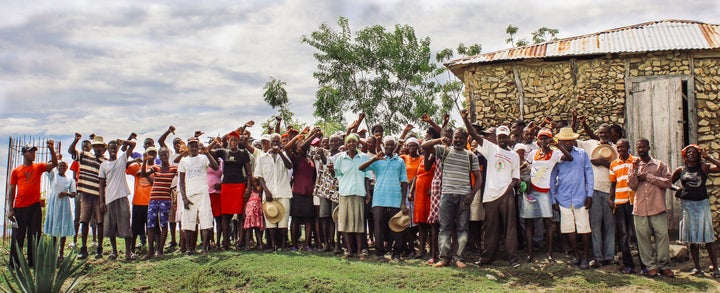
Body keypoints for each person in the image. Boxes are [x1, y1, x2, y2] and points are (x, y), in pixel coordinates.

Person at [424, 115, 482, 269]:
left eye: (461, 138)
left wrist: (472, 194)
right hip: (447, 194)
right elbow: (424, 147)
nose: (458, 140)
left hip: (464, 196)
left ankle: (459, 258)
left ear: (465, 139)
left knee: (463, 228)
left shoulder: (471, 156)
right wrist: (439, 140)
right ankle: (444, 258)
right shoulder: (444, 151)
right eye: (456, 137)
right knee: (445, 227)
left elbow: (478, 178)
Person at [471, 123, 521, 268]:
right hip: (491, 195)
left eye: (505, 137)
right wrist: (465, 119)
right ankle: (486, 258)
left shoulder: (514, 155)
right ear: (497, 137)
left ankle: (512, 258)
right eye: (500, 137)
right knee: (490, 229)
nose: (502, 139)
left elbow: (516, 178)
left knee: (510, 228)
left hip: (507, 195)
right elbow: (475, 136)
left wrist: (508, 189)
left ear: (509, 137)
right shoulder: (491, 149)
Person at [522, 128, 572, 263]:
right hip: (531, 191)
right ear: (537, 140)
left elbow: (569, 157)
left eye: (546, 138)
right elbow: (527, 166)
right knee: (529, 222)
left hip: (545, 192)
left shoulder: (555, 154)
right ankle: (530, 253)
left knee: (548, 222)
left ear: (550, 140)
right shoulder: (533, 153)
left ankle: (549, 253)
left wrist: (558, 145)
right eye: (541, 138)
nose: (543, 141)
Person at [671, 145, 720, 277]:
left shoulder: (704, 167)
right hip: (687, 205)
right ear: (685, 156)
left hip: (702, 204)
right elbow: (669, 182)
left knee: (708, 237)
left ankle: (716, 268)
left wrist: (708, 157)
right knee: (692, 238)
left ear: (698, 155)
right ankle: (697, 267)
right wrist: (677, 190)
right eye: (688, 152)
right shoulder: (680, 170)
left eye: (694, 152)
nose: (691, 154)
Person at [628, 138, 674, 278]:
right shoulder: (633, 165)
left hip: (657, 207)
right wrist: (635, 170)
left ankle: (664, 266)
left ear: (649, 148)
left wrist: (648, 176)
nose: (641, 150)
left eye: (643, 147)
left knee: (662, 237)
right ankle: (651, 267)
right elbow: (632, 185)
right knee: (643, 238)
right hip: (640, 208)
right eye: (638, 148)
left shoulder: (659, 165)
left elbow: (668, 182)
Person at [8, 141, 58, 267]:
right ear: (24, 153)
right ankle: (15, 263)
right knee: (18, 236)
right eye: (30, 151)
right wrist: (10, 209)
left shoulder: (39, 167)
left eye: (34, 151)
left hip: (35, 207)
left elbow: (55, 164)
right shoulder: (16, 171)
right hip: (19, 207)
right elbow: (11, 190)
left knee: (35, 235)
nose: (33, 154)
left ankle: (34, 262)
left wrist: (51, 149)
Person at [576, 116, 617, 268]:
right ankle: (598, 256)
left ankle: (609, 255)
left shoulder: (616, 148)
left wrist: (602, 163)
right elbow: (574, 139)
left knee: (610, 225)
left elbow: (617, 168)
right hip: (593, 190)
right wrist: (581, 122)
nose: (603, 135)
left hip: (609, 191)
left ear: (611, 134)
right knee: (595, 224)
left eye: (606, 132)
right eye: (601, 132)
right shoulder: (590, 145)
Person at [550, 127, 594, 269]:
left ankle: (585, 257)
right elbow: (552, 178)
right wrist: (553, 198)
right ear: (560, 142)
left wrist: (589, 194)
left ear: (574, 141)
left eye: (570, 141)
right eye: (564, 141)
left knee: (584, 228)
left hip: (580, 197)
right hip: (563, 198)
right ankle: (576, 255)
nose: (568, 143)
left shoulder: (582, 154)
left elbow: (589, 174)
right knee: (569, 228)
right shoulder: (556, 156)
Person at [359, 136, 408, 262]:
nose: (389, 147)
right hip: (379, 198)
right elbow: (361, 168)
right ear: (383, 146)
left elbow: (404, 182)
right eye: (387, 145)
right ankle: (380, 254)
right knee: (378, 227)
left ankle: (396, 253)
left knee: (396, 226)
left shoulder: (400, 161)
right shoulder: (378, 159)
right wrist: (374, 158)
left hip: (395, 197)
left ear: (395, 146)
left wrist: (403, 202)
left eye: (392, 145)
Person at [68, 133, 107, 259]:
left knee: (99, 222)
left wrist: (103, 199)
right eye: (95, 147)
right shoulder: (84, 156)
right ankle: (83, 248)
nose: (97, 149)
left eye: (99, 147)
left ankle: (99, 249)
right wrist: (76, 140)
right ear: (93, 147)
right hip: (86, 194)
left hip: (98, 196)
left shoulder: (105, 162)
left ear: (103, 148)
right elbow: (71, 151)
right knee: (84, 221)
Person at [331, 133, 370, 259]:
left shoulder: (363, 157)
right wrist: (332, 171)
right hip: (345, 193)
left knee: (359, 223)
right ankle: (348, 251)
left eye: (354, 142)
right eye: (349, 142)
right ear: (346, 144)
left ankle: (359, 251)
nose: (352, 144)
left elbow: (367, 175)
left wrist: (368, 192)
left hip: (359, 192)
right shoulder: (341, 158)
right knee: (345, 223)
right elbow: (336, 174)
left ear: (358, 143)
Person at [178, 137, 220, 254]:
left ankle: (205, 248)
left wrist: (207, 153)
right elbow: (181, 181)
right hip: (189, 193)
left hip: (202, 193)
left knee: (205, 219)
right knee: (188, 221)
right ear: (188, 147)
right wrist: (184, 198)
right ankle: (189, 248)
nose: (194, 148)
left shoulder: (203, 158)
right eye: (191, 145)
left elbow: (216, 167)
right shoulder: (184, 161)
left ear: (198, 147)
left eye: (196, 145)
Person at [212, 130, 252, 250]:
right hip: (226, 186)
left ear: (238, 141)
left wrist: (248, 188)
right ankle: (226, 242)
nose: (233, 142)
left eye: (236, 139)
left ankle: (240, 241)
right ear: (228, 141)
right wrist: (217, 140)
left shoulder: (243, 153)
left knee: (240, 215)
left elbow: (249, 173)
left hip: (239, 185)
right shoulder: (223, 152)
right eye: (231, 140)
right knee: (225, 215)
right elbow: (208, 152)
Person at [98, 137, 137, 261]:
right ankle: (114, 252)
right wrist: (101, 201)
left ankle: (128, 252)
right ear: (107, 150)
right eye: (111, 148)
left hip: (122, 196)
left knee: (125, 224)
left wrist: (123, 142)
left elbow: (133, 145)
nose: (113, 150)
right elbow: (101, 184)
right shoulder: (104, 165)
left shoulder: (122, 159)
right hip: (109, 198)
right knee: (110, 226)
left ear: (117, 149)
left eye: (115, 148)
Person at [254, 133, 293, 250]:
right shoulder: (262, 158)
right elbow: (259, 176)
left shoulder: (284, 155)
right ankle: (273, 244)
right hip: (269, 193)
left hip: (283, 192)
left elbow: (290, 166)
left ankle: (283, 244)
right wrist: (266, 191)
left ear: (280, 143)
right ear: (269, 143)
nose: (275, 143)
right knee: (270, 219)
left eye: (277, 141)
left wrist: (280, 152)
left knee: (283, 220)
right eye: (273, 142)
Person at [609, 139, 640, 274]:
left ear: (628, 147)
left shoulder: (635, 161)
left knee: (638, 233)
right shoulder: (614, 164)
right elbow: (613, 184)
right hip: (620, 203)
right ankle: (628, 265)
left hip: (633, 202)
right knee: (623, 235)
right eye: (618, 148)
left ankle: (645, 264)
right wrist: (611, 199)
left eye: (623, 147)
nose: (621, 150)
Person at [142, 147, 178, 259]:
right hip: (153, 199)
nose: (163, 157)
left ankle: (160, 250)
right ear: (159, 156)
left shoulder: (173, 169)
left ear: (168, 155)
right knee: (150, 225)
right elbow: (144, 174)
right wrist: (144, 161)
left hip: (165, 199)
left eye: (165, 155)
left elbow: (182, 177)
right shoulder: (155, 168)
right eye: (161, 155)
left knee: (163, 224)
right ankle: (150, 251)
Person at [44, 160, 76, 260]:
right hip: (54, 204)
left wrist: (66, 193)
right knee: (54, 226)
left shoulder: (70, 180)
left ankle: (61, 252)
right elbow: (48, 165)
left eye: (64, 166)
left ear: (67, 168)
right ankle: (53, 251)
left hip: (64, 205)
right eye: (60, 166)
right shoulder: (53, 176)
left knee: (63, 227)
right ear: (57, 167)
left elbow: (74, 194)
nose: (62, 168)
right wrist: (55, 157)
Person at [126, 147, 156, 254]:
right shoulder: (137, 166)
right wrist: (137, 160)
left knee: (152, 228)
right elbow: (125, 166)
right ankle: (131, 250)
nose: (151, 155)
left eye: (153, 153)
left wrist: (144, 173)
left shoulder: (157, 168)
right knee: (135, 229)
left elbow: (155, 182)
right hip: (138, 202)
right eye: (149, 153)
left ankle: (152, 250)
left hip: (151, 202)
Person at [244, 177, 265, 250]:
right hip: (250, 212)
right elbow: (245, 201)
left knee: (257, 229)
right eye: (255, 182)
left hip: (257, 213)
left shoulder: (260, 191)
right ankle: (247, 245)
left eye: (258, 182)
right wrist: (244, 212)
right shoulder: (249, 191)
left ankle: (260, 244)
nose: (256, 183)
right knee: (249, 229)